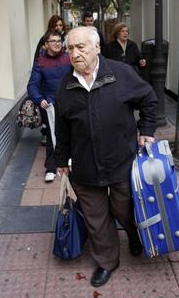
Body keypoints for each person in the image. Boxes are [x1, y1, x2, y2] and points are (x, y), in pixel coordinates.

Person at [54, 27, 158, 287]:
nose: (75, 53)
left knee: (124, 209)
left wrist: (146, 130)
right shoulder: (65, 86)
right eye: (70, 48)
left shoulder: (121, 73)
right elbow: (62, 129)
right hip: (85, 167)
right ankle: (107, 262)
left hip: (121, 161)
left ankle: (134, 235)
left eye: (81, 47)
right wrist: (59, 161)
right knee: (96, 218)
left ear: (97, 47)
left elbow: (148, 99)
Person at [27, 30, 72, 182]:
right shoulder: (40, 61)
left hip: (71, 102)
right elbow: (32, 85)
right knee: (53, 137)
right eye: (53, 41)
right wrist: (39, 100)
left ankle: (72, 162)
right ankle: (51, 168)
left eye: (59, 40)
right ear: (46, 44)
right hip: (51, 106)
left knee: (74, 133)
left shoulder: (69, 58)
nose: (57, 43)